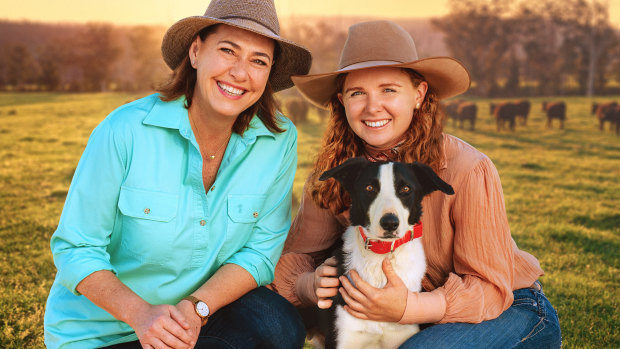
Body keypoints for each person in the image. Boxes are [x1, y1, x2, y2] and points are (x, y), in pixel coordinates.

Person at [270, 20, 562, 348]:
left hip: (510, 309)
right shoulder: (336, 173)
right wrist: (308, 284)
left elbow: (490, 290)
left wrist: (409, 308)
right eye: (357, 93)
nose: (372, 107)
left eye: (388, 90)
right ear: (341, 101)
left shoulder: (467, 168)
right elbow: (293, 258)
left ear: (419, 95)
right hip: (415, 314)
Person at [43, 1, 312, 348]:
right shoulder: (124, 130)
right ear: (196, 52)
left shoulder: (277, 140)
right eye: (228, 51)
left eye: (258, 60)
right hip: (104, 331)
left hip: (197, 317)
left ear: (269, 72)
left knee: (278, 323)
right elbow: (76, 247)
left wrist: (195, 307)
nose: (241, 73)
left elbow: (260, 252)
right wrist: (141, 315)